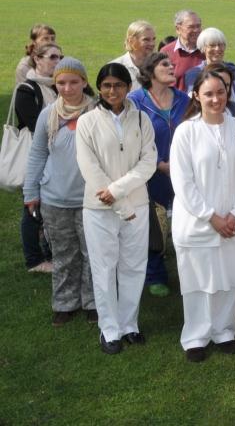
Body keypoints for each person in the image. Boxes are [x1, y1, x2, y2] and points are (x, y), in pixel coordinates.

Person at [169, 68, 235, 362]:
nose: (216, 99)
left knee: (230, 278)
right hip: (198, 222)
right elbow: (183, 183)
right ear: (196, 95)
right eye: (209, 93)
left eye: (221, 92)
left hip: (234, 221)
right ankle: (195, 336)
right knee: (199, 281)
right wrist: (212, 217)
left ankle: (224, 331)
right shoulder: (187, 131)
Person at [76, 63, 157, 354]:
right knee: (104, 268)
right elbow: (90, 168)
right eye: (107, 85)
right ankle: (109, 329)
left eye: (118, 85)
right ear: (99, 87)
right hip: (99, 207)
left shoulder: (140, 119)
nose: (113, 91)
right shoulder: (87, 122)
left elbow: (148, 162)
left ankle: (129, 324)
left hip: (136, 205)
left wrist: (118, 192)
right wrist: (114, 199)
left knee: (134, 266)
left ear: (128, 87)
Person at [23, 57, 97, 327]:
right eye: (61, 83)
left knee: (92, 253)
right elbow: (37, 153)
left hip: (91, 200)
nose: (67, 88)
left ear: (84, 82)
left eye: (73, 82)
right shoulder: (48, 114)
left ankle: (92, 301)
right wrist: (31, 191)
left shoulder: (96, 111)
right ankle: (65, 302)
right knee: (64, 254)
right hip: (55, 198)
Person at [127, 52, 190, 297]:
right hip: (150, 174)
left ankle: (187, 272)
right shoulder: (135, 100)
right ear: (150, 71)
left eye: (172, 64)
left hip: (183, 175)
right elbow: (131, 140)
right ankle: (154, 275)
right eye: (165, 64)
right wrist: (158, 164)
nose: (172, 67)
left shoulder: (184, 100)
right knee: (153, 223)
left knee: (183, 224)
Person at [14, 42, 60, 273]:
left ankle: (50, 251)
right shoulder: (27, 89)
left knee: (47, 207)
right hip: (36, 155)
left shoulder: (58, 86)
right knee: (32, 207)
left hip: (56, 157)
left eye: (60, 57)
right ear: (37, 59)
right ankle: (34, 259)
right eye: (52, 57)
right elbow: (35, 126)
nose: (57, 62)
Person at [182, 28, 235, 104]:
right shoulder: (194, 74)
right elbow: (192, 104)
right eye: (212, 45)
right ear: (203, 48)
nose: (217, 49)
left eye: (220, 45)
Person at [160, 10, 203, 90]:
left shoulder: (207, 50)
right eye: (191, 27)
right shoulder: (166, 52)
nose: (196, 30)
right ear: (178, 29)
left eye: (198, 26)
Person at [111, 20, 156, 91]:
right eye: (146, 40)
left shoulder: (159, 65)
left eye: (153, 39)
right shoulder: (115, 67)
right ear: (131, 41)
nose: (152, 43)